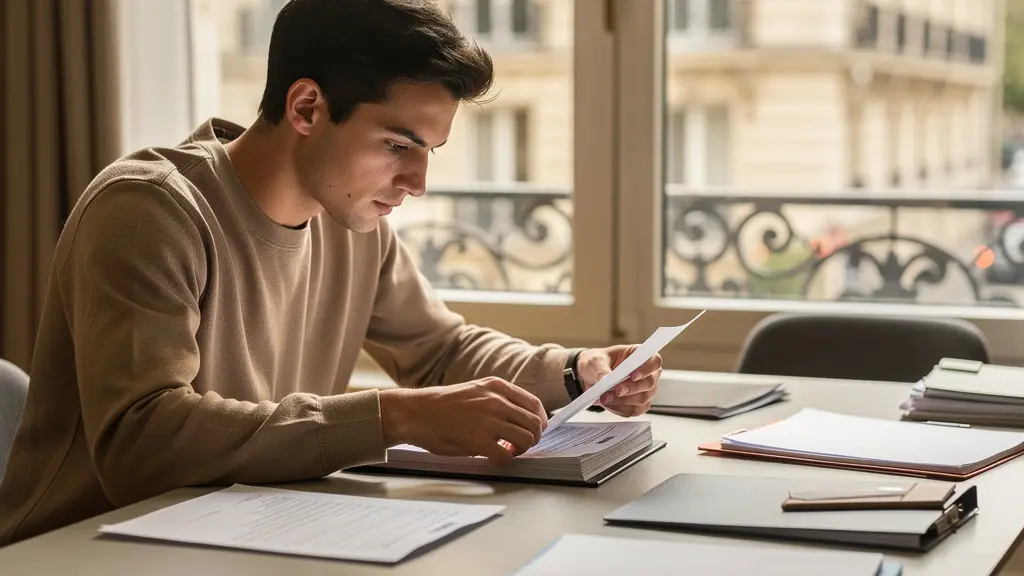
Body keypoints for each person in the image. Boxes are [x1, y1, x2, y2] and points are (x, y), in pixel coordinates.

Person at [0, 0, 662, 545]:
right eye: (398, 146)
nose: (419, 182)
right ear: (307, 108)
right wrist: (390, 417)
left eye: (428, 151)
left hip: (238, 537)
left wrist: (575, 370)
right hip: (84, 550)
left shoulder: (350, 222)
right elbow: (141, 439)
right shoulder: (149, 209)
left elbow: (439, 350)